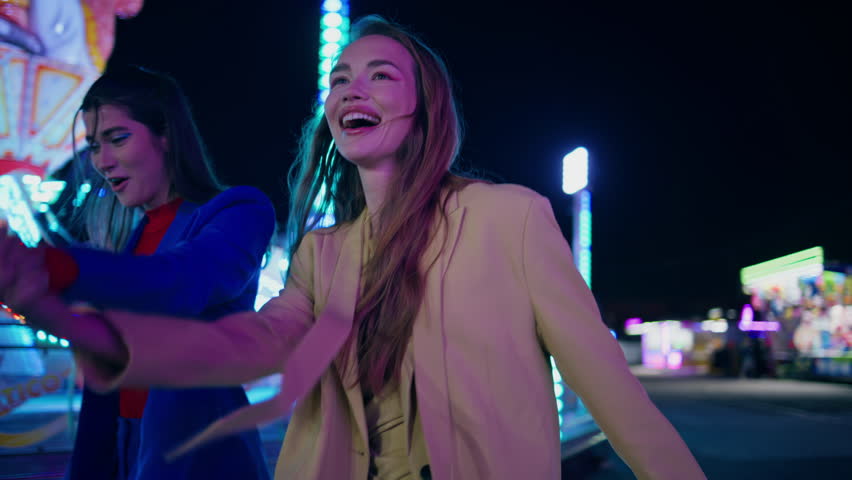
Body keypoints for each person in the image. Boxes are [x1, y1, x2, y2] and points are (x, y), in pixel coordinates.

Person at [0, 17, 706, 480]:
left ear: (424, 107)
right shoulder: (321, 254)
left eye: (378, 75)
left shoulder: (510, 220)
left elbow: (614, 395)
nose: (349, 89)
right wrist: (53, 306)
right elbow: (243, 344)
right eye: (339, 78)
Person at [6, 65, 274, 480]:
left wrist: (53, 267)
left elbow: (181, 281)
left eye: (117, 139)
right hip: (121, 451)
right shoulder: (129, 239)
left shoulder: (240, 212)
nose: (102, 161)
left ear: (166, 134)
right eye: (94, 146)